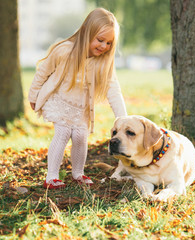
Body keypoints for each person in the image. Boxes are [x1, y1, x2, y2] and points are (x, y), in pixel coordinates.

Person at [28, 8, 127, 189]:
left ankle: (78, 173)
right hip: (59, 103)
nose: (104, 46)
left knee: (81, 137)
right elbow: (43, 73)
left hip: (80, 109)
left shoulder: (103, 63)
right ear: (87, 33)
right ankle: (51, 177)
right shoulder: (64, 51)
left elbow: (114, 90)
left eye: (109, 43)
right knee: (63, 133)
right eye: (100, 40)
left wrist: (123, 119)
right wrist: (33, 95)